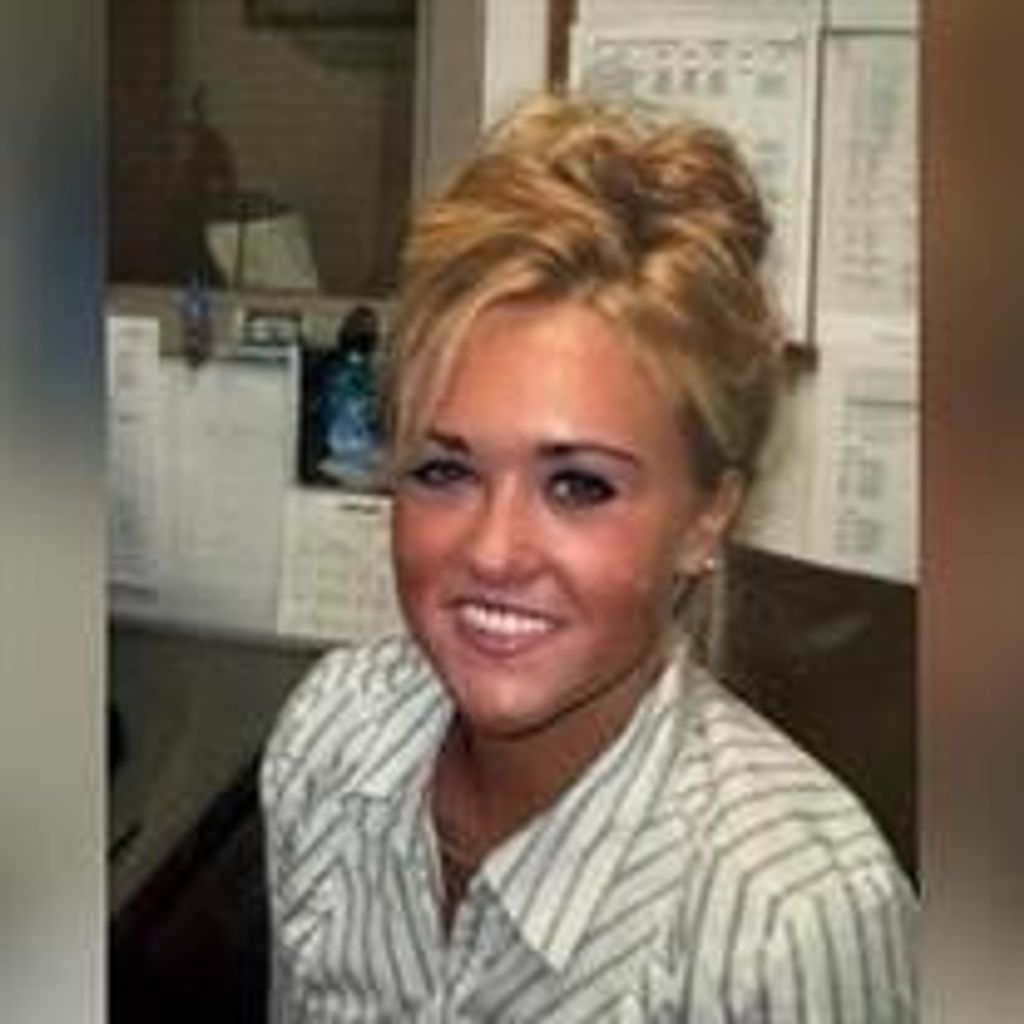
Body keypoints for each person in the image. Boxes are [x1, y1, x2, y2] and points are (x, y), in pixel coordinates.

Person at [261, 93, 915, 1021]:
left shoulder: (797, 920)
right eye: (445, 470)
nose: (493, 551)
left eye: (578, 486)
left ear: (707, 518)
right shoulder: (331, 738)